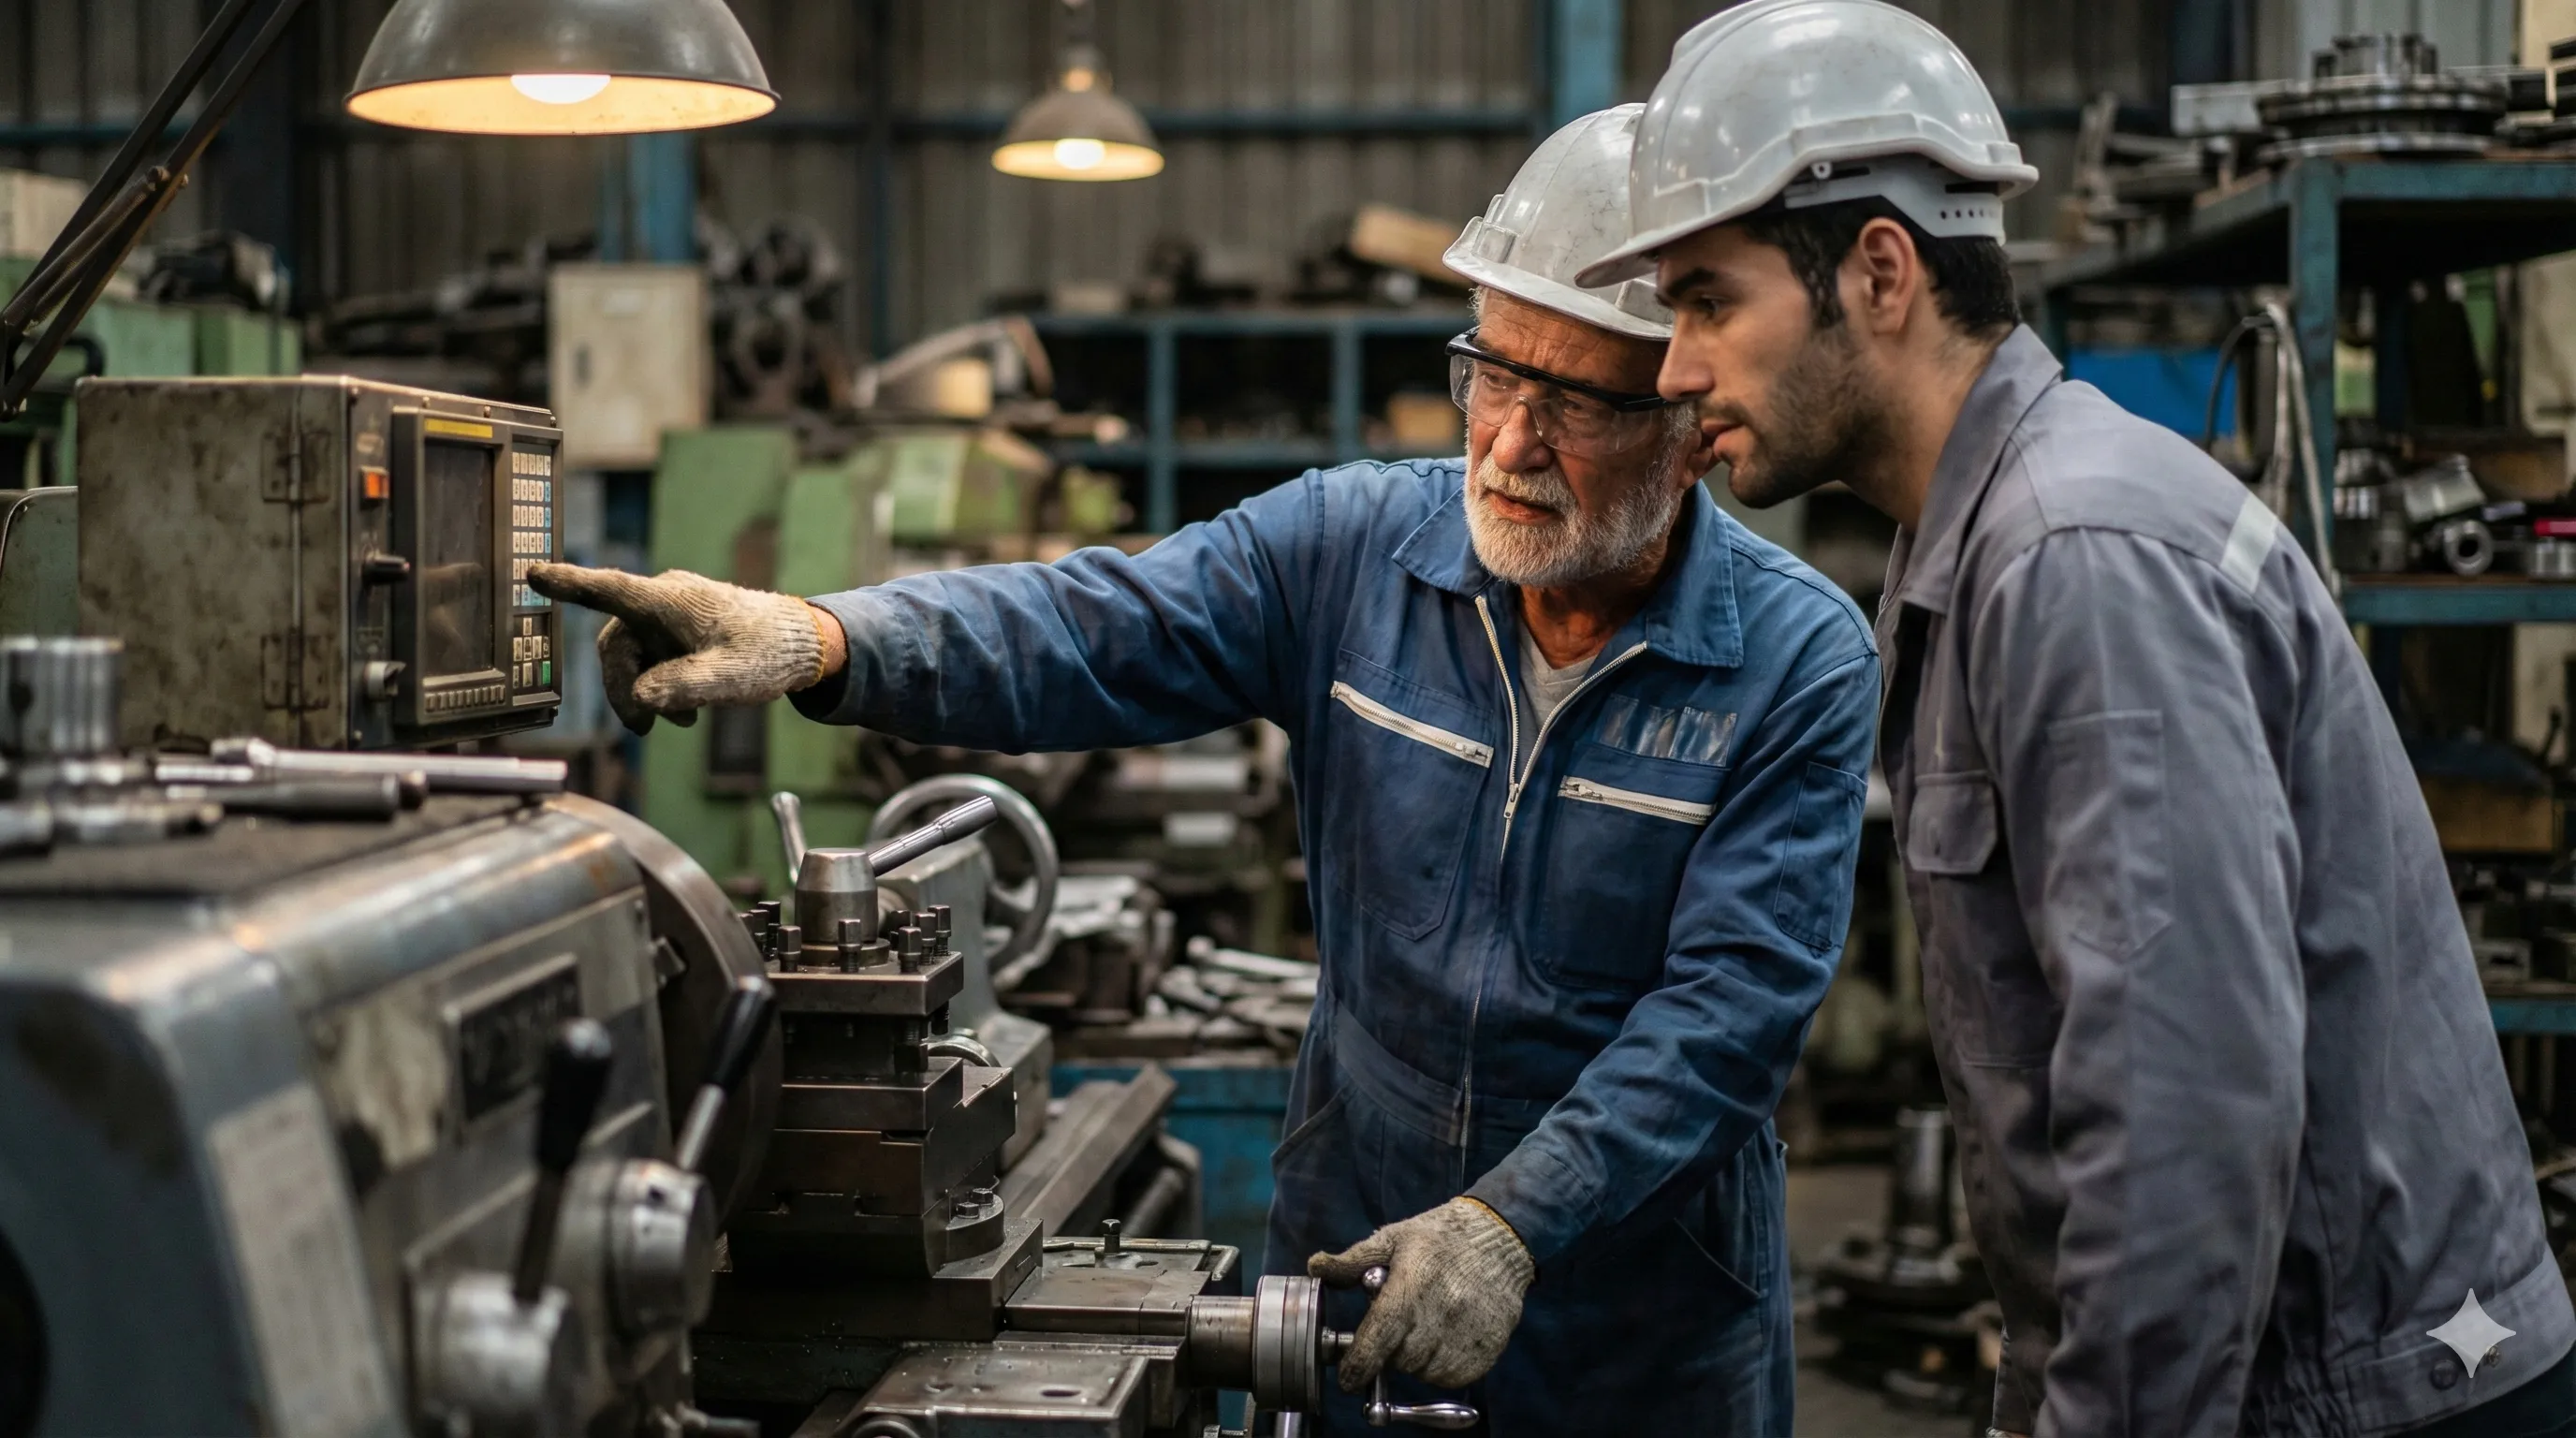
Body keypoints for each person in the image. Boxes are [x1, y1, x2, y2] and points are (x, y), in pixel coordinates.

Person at [530, 103, 1876, 1435]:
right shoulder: (1353, 549)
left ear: (1689, 417)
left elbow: (1730, 1015)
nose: (1510, 443)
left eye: (1572, 400)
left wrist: (1511, 1225)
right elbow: (1092, 625)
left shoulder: (1795, 659)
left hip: (1642, 1327)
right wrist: (826, 638)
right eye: (1493, 375)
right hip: (1359, 1268)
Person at [1579, 3, 2576, 1435]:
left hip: (2367, 1402)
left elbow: (2182, 1122)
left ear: (1878, 271)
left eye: (1707, 300)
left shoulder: (2073, 558)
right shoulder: (1990, 547)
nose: (1674, 368)